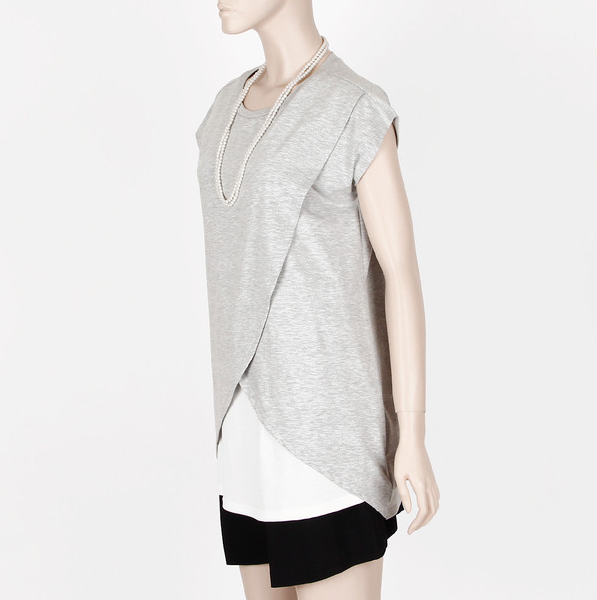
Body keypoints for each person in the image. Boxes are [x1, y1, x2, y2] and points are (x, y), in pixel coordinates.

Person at [195, 1, 440, 598]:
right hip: (245, 437)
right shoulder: (223, 110)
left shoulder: (352, 107)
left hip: (330, 444)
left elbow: (401, 274)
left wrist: (412, 434)